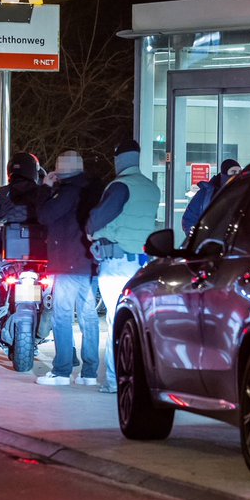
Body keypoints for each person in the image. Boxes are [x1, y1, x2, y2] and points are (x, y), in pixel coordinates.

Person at [86, 139, 161, 394]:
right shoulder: (152, 188)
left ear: (119, 160)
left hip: (116, 264)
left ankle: (114, 380)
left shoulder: (120, 186)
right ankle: (138, 378)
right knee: (137, 323)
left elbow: (97, 219)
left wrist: (90, 231)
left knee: (116, 321)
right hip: (142, 266)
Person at [35, 150, 101, 386]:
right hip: (87, 261)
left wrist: (45, 187)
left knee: (62, 316)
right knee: (88, 317)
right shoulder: (91, 190)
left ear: (60, 171)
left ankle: (62, 371)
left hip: (67, 262)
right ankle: (90, 373)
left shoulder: (67, 192)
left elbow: (44, 215)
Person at [181, 158, 242, 234]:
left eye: (239, 172)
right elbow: (189, 218)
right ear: (223, 175)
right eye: (233, 172)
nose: (236, 175)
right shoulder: (206, 193)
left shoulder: (244, 192)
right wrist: (196, 238)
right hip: (210, 240)